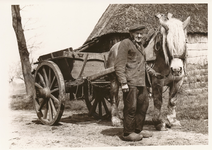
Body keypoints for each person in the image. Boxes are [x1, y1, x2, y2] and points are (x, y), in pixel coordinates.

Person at [114, 24, 162, 141]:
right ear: (132, 34)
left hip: (142, 82)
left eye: (141, 34)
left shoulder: (140, 46)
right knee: (131, 107)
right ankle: (127, 133)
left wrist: (154, 73)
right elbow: (119, 65)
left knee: (143, 106)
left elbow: (143, 65)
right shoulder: (125, 43)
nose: (139, 36)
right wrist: (123, 82)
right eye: (137, 34)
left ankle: (137, 130)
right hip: (130, 82)